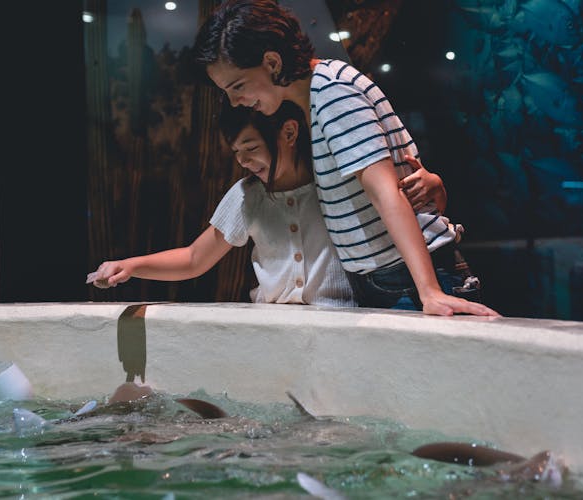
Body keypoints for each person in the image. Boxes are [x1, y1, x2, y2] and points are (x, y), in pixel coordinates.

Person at [192, 0, 499, 317]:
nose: (235, 101)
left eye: (237, 86)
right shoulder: (313, 98)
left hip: (407, 280)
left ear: (272, 62)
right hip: (384, 278)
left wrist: (429, 290)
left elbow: (383, 193)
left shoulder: (332, 92)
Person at [88, 100, 356, 307]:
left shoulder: (335, 183)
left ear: (289, 133)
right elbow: (195, 258)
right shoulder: (247, 195)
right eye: (237, 152)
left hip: (337, 319)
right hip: (274, 326)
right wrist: (131, 266)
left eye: (251, 148)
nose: (243, 161)